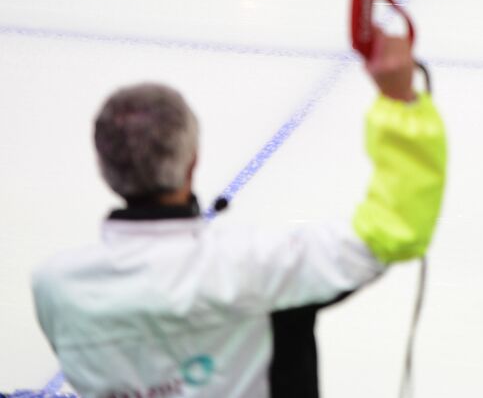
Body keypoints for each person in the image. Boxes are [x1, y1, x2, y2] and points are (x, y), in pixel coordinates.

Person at [30, 30, 447, 397]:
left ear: (105, 167)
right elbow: (392, 232)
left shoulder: (55, 286)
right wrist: (399, 102)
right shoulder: (255, 268)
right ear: (192, 160)